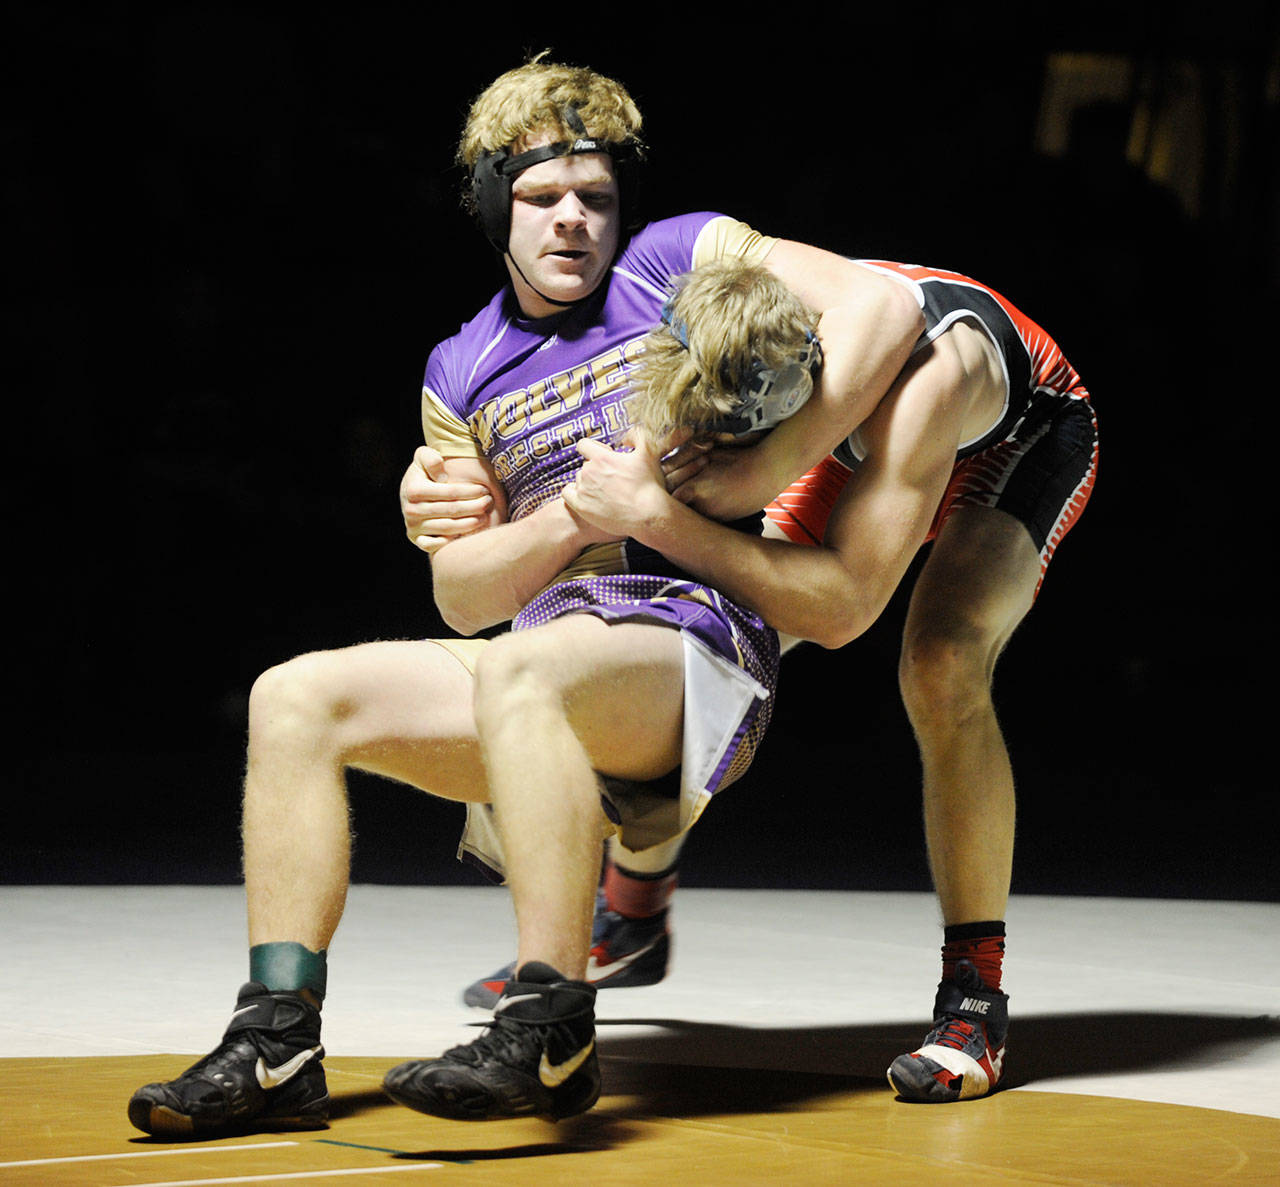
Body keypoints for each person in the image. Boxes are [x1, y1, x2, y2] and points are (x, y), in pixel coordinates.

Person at [127, 57, 922, 1137]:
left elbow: (881, 303)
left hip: (695, 650)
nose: (572, 221)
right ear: (493, 203)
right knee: (294, 696)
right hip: (543, 667)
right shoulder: (461, 366)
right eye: (542, 197)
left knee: (522, 667)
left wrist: (746, 474)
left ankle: (551, 1020)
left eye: (593, 196)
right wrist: (572, 519)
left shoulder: (671, 258)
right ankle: (279, 1039)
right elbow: (460, 593)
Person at [417, 247, 1097, 1104]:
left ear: (791, 405)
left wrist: (678, 508)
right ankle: (633, 906)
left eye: (733, 439)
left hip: (1012, 432)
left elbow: (846, 606)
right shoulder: (713, 308)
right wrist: (438, 483)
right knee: (692, 622)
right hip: (830, 422)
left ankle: (974, 995)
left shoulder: (926, 379)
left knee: (941, 661)